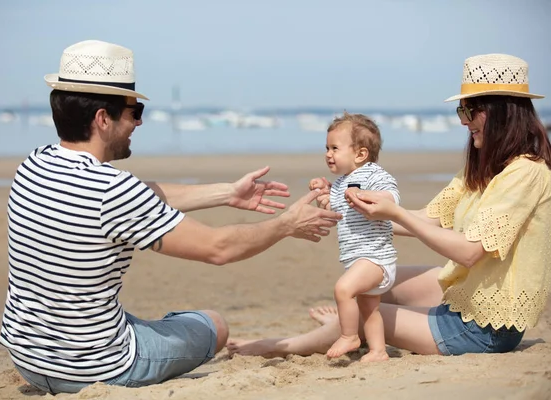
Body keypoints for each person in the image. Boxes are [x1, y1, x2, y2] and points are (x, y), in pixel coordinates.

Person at [0, 40, 342, 394]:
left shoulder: (34, 164)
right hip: (92, 368)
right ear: (103, 119)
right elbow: (217, 248)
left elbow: (135, 196)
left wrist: (227, 193)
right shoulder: (112, 190)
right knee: (214, 325)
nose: (138, 123)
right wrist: (287, 224)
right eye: (134, 112)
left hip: (27, 356)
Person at [227, 53, 551, 359]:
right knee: (368, 280)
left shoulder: (526, 172)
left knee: (364, 305)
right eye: (461, 112)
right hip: (466, 293)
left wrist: (393, 211)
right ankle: (341, 327)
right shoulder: (485, 167)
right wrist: (357, 212)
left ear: (502, 112)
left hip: (483, 329)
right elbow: (430, 218)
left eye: (469, 111)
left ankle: (281, 346)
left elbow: (468, 252)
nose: (464, 122)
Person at [307, 113, 399, 362]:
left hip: (376, 257)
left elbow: (392, 196)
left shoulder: (372, 174)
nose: (328, 154)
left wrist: (370, 197)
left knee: (343, 289)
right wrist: (325, 195)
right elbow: (337, 213)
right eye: (326, 148)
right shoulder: (339, 184)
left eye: (335, 148)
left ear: (360, 154)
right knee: (369, 308)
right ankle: (378, 351)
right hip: (358, 258)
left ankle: (349, 336)